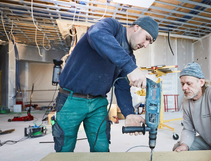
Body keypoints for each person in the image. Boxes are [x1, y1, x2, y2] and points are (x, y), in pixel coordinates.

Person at [52, 16, 159, 152]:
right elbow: (96, 34)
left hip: (98, 103)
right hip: (71, 100)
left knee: (101, 148)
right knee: (64, 148)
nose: (145, 45)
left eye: (150, 42)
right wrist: (130, 66)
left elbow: (122, 87)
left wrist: (129, 113)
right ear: (137, 27)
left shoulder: (130, 57)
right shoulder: (112, 26)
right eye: (147, 38)